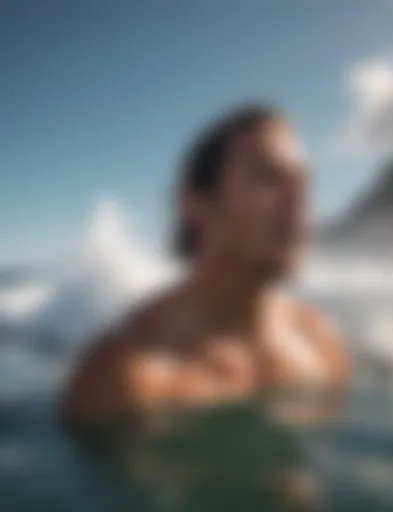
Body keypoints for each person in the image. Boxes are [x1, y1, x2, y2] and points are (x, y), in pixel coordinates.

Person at [60, 103, 350, 511]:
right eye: (269, 178)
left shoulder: (322, 341)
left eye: (303, 181)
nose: (299, 198)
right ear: (196, 204)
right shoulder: (126, 378)